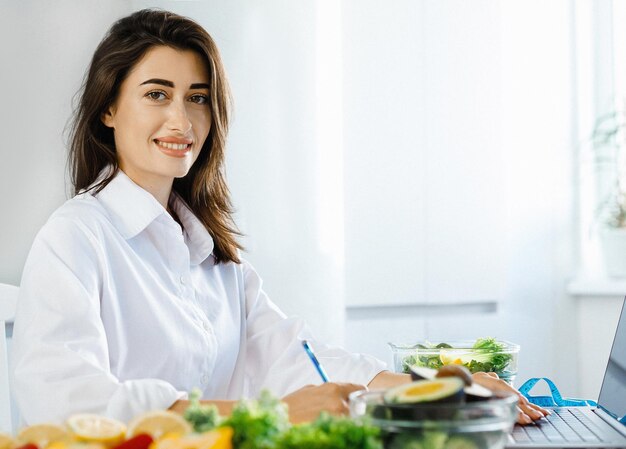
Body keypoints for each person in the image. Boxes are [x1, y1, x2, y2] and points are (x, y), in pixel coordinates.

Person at [12, 8, 547, 426]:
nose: (181, 119)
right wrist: (268, 414)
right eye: (157, 94)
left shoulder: (211, 255)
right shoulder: (75, 238)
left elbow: (300, 360)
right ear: (108, 108)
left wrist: (441, 387)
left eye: (198, 98)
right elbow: (68, 402)